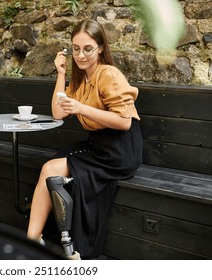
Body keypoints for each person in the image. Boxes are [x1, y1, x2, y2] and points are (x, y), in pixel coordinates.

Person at [26, 19, 143, 259]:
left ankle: (62, 246)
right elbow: (59, 113)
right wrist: (61, 74)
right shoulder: (80, 78)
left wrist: (81, 108)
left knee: (53, 170)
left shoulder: (108, 74)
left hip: (120, 149)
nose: (81, 55)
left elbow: (124, 122)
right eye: (76, 49)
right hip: (98, 144)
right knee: (49, 168)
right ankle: (32, 240)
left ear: (100, 47)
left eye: (87, 49)